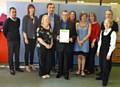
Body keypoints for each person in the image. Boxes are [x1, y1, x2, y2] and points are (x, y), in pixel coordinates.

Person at [39, 3, 60, 72]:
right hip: (44, 40)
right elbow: (39, 28)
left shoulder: (57, 17)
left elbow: (58, 28)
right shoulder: (42, 16)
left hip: (54, 39)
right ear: (47, 8)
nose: (51, 9)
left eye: (53, 7)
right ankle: (44, 69)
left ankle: (52, 67)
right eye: (50, 7)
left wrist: (57, 36)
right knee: (44, 56)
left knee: (52, 54)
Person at [56, 10, 77, 80]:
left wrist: (72, 38)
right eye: (63, 15)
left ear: (68, 16)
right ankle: (59, 73)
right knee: (60, 60)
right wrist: (57, 37)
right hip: (60, 45)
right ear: (61, 15)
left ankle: (66, 74)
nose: (64, 16)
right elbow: (53, 33)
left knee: (66, 61)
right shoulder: (57, 23)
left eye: (66, 15)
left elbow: (75, 35)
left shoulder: (72, 23)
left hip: (68, 46)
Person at [97, 9, 118, 77]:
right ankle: (102, 73)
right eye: (107, 14)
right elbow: (102, 35)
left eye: (109, 14)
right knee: (101, 62)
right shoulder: (103, 23)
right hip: (103, 46)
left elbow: (115, 34)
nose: (108, 15)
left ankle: (106, 75)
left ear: (112, 15)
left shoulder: (115, 24)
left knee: (107, 62)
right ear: (105, 15)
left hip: (109, 47)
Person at [3, 7, 23, 75]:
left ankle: (17, 67)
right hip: (10, 41)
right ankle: (11, 68)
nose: (14, 13)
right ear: (10, 13)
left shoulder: (18, 20)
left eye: (15, 12)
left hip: (17, 40)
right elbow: (4, 31)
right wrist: (8, 37)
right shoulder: (7, 21)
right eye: (12, 12)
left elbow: (17, 28)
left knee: (17, 54)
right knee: (11, 55)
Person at [96, 18, 117, 86]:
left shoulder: (112, 32)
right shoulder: (102, 31)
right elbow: (100, 42)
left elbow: (113, 45)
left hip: (107, 51)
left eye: (107, 23)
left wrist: (109, 54)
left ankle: (105, 80)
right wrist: (98, 50)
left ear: (110, 24)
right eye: (105, 23)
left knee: (106, 66)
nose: (106, 24)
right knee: (101, 64)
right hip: (102, 50)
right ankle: (102, 76)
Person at [22, 4, 38, 72]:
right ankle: (26, 65)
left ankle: (31, 64)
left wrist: (37, 38)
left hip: (34, 38)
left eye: (33, 8)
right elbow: (24, 29)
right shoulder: (26, 17)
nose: (32, 9)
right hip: (27, 37)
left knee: (32, 52)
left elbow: (37, 28)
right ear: (28, 9)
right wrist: (25, 38)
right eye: (30, 8)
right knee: (27, 52)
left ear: (34, 9)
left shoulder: (36, 18)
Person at [74, 12, 91, 77]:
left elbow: (89, 34)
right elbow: (76, 33)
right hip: (78, 41)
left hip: (85, 42)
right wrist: (78, 41)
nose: (84, 17)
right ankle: (78, 70)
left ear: (86, 17)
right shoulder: (77, 24)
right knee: (79, 56)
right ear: (80, 17)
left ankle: (82, 71)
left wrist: (82, 41)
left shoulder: (89, 24)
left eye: (85, 16)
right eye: (82, 16)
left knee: (83, 57)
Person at [37, 15, 53, 79]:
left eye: (48, 19)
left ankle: (47, 72)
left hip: (49, 46)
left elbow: (51, 37)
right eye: (45, 19)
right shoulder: (39, 28)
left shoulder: (50, 27)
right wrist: (46, 45)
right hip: (42, 46)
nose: (47, 20)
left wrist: (51, 44)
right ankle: (42, 73)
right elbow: (39, 38)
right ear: (42, 20)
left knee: (48, 60)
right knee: (42, 60)